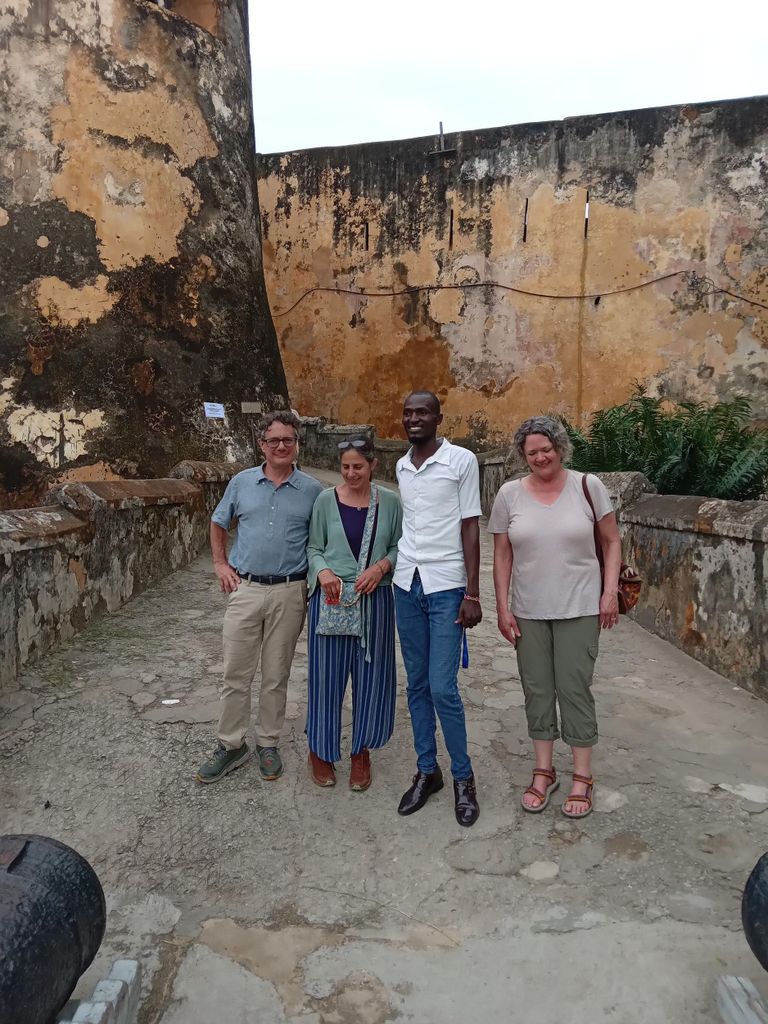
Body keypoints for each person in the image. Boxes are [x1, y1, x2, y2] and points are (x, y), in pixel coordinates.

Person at [488, 415, 621, 818]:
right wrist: (502, 606)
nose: (541, 457)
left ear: (560, 447)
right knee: (538, 690)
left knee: (574, 688)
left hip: (579, 606)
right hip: (529, 610)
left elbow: (612, 540)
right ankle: (544, 771)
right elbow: (501, 554)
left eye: (547, 449)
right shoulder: (509, 495)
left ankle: (582, 776)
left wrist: (609, 592)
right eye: (532, 452)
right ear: (522, 456)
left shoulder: (587, 486)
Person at [196, 411, 323, 784]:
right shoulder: (241, 482)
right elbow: (219, 522)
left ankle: (268, 743)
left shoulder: (314, 490)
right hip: (246, 589)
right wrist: (220, 564)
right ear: (261, 445)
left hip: (290, 590)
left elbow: (321, 541)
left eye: (288, 440)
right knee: (236, 672)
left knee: (275, 674)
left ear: (297, 444)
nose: (281, 446)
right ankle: (231, 744)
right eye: (274, 440)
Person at [393, 391, 482, 827]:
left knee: (443, 688)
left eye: (422, 412)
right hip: (407, 584)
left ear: (438, 418)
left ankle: (464, 778)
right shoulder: (402, 466)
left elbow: (470, 526)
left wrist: (473, 593)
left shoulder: (461, 461)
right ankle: (428, 771)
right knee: (417, 684)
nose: (414, 418)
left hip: (447, 586)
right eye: (408, 412)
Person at [305, 436, 402, 790]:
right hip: (330, 600)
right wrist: (323, 571)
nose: (350, 473)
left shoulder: (390, 503)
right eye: (345, 467)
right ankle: (321, 750)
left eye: (358, 466)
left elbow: (400, 545)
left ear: (373, 465)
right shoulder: (325, 501)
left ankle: (361, 751)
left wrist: (381, 567)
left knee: (371, 678)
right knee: (326, 679)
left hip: (374, 600)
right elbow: (314, 546)